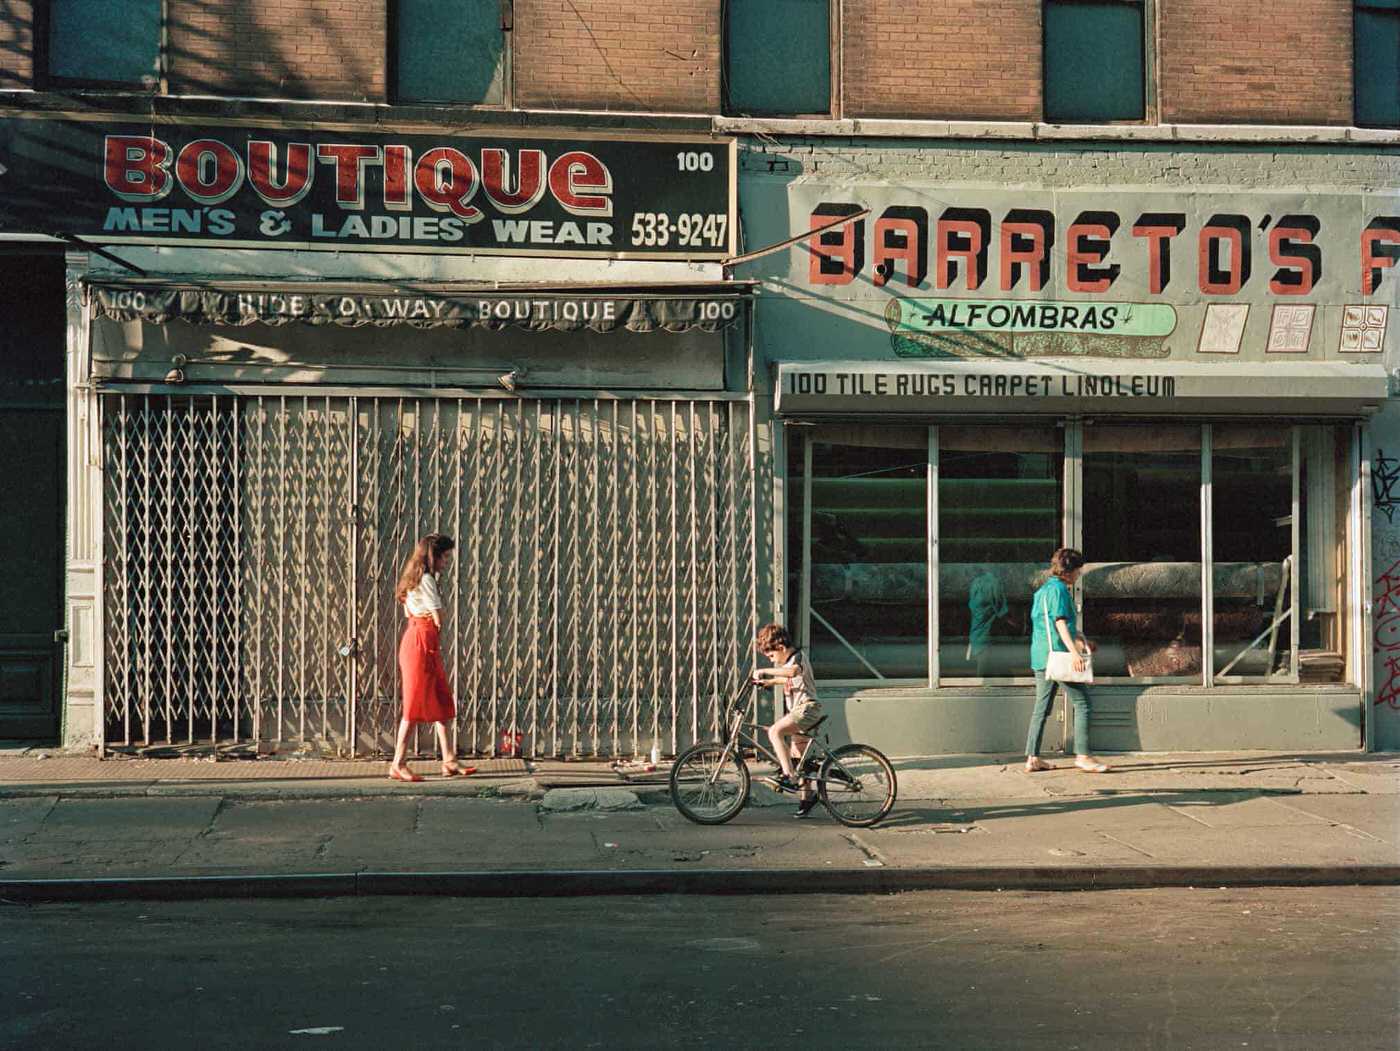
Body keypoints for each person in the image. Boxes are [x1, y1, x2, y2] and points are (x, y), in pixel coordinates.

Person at [388, 532, 476, 782]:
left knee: (440, 700)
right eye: (445, 557)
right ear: (433, 556)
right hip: (422, 641)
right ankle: (398, 763)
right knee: (414, 705)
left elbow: (407, 610)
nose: (446, 562)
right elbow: (438, 615)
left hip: (414, 636)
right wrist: (435, 624)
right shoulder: (426, 580)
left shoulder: (411, 579)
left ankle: (449, 759)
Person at [1024, 547, 1110, 774]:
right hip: (1060, 658)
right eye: (1078, 571)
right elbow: (1060, 623)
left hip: (1042, 657)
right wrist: (1075, 652)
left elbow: (1049, 625)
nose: (1079, 575)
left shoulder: (1042, 591)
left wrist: (1082, 639)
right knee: (1083, 704)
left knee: (1041, 709)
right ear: (1069, 571)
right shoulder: (1060, 591)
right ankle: (1083, 756)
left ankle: (1032, 758)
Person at [752, 623, 825, 818]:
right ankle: (807, 798)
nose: (773, 661)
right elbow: (788, 679)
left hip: (807, 709)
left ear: (781, 647)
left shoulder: (798, 658)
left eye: (772, 656)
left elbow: (792, 673)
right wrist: (769, 682)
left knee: (775, 731)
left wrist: (764, 670)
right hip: (801, 711)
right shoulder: (789, 662)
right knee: (800, 759)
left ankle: (788, 776)